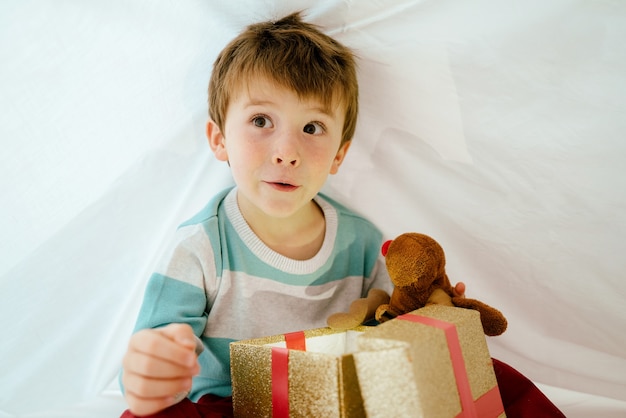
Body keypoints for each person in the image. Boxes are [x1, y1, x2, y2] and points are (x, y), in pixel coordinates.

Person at [119, 12, 465, 418]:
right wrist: (152, 371)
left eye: (313, 127)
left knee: (495, 377)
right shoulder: (200, 246)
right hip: (224, 403)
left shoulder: (363, 242)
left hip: (327, 398)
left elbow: (395, 329)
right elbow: (145, 368)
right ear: (219, 140)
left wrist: (432, 315)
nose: (287, 151)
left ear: (339, 154)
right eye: (261, 121)